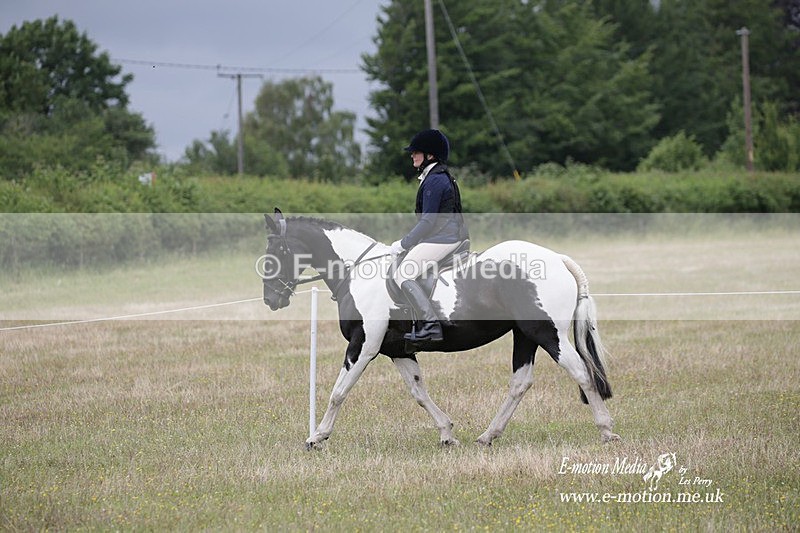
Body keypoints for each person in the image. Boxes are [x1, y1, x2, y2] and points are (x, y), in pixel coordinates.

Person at [390, 129, 469, 343]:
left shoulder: (435, 181)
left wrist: (403, 243)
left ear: (430, 155)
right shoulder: (438, 176)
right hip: (445, 236)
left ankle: (430, 324)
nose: (412, 155)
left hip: (442, 239)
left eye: (416, 152)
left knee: (403, 274)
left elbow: (428, 222)